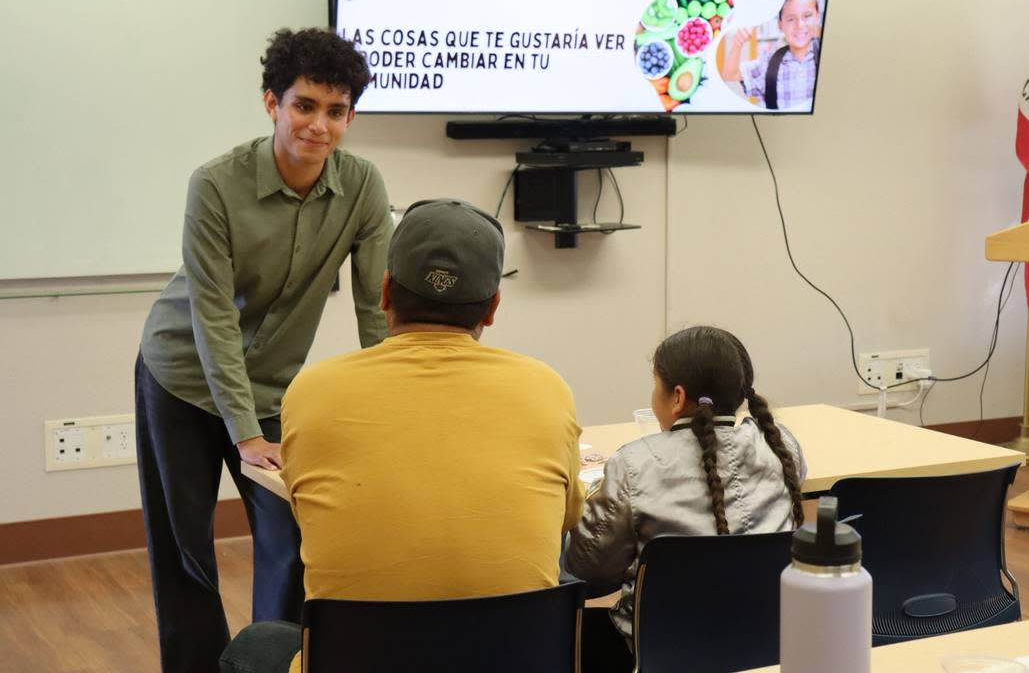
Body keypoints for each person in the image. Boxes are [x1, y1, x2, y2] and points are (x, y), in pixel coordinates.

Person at [219, 198, 586, 673]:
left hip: (359, 658)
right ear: (493, 307)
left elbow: (315, 515)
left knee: (255, 645)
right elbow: (568, 514)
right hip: (509, 659)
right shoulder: (546, 387)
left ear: (385, 291)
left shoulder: (313, 391)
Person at [134, 27, 393, 673]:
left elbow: (377, 311)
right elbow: (214, 318)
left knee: (292, 538)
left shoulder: (362, 188)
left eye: (336, 112)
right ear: (271, 103)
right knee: (186, 552)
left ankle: (274, 664)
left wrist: (396, 406)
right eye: (304, 105)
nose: (319, 126)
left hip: (274, 387)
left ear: (350, 117)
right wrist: (245, 434)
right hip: (180, 378)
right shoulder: (216, 185)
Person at [565, 325, 806, 672]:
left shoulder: (634, 464)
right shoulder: (781, 445)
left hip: (653, 649)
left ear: (677, 397)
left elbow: (586, 568)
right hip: (768, 641)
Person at [722, 0, 821, 110]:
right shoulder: (768, 64)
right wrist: (738, 43)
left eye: (807, 16)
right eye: (791, 19)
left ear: (817, 16)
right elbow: (729, 74)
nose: (800, 25)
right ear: (780, 24)